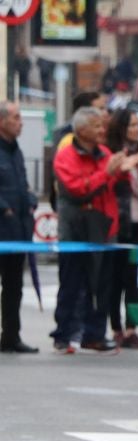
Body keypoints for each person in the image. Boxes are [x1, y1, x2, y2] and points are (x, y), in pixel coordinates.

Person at [51, 106, 138, 355]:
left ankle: (95, 334)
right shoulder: (66, 156)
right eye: (97, 126)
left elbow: (113, 184)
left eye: (103, 125)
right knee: (72, 282)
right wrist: (107, 173)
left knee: (102, 284)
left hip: (104, 227)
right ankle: (64, 334)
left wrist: (123, 172)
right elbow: (76, 189)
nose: (103, 130)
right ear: (81, 130)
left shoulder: (106, 153)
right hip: (76, 229)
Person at [104, 109, 138, 350]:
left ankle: (132, 327)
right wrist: (121, 168)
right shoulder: (110, 151)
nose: (136, 129)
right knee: (115, 277)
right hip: (118, 220)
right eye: (132, 125)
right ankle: (116, 327)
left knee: (133, 276)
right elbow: (107, 182)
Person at [0, 101, 39, 354]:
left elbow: (23, 183)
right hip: (2, 226)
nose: (20, 122)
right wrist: (4, 207)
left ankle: (11, 336)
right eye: (15, 117)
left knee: (14, 286)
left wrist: (31, 201)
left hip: (18, 231)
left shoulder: (17, 151)